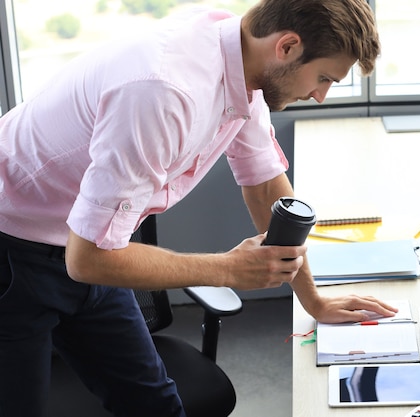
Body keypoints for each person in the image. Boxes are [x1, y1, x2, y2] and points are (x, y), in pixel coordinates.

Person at [0, 0, 398, 415]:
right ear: (287, 47)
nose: (320, 96)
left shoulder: (241, 59)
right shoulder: (164, 89)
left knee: (155, 406)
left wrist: (313, 301)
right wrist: (226, 269)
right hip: (13, 249)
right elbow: (88, 261)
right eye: (323, 78)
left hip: (84, 241)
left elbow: (266, 189)